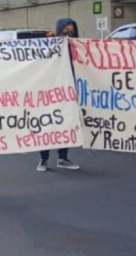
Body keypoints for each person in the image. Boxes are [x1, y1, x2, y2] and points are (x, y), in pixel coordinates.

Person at [37, 18, 81, 172]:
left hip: (67, 91)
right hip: (49, 91)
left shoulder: (74, 45)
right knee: (46, 125)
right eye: (67, 28)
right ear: (60, 28)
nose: (70, 30)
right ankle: (43, 159)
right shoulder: (50, 43)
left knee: (65, 124)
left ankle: (63, 157)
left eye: (72, 28)